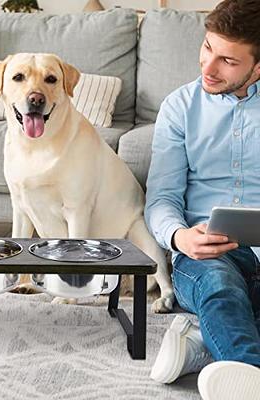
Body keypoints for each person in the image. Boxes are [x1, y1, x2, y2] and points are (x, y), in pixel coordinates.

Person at [144, 0, 260, 399]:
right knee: (221, 288)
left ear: (258, 66)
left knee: (235, 304)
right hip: (206, 255)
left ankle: (199, 341)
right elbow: (160, 198)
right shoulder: (180, 106)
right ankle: (248, 377)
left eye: (228, 60)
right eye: (207, 48)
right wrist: (180, 237)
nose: (208, 68)